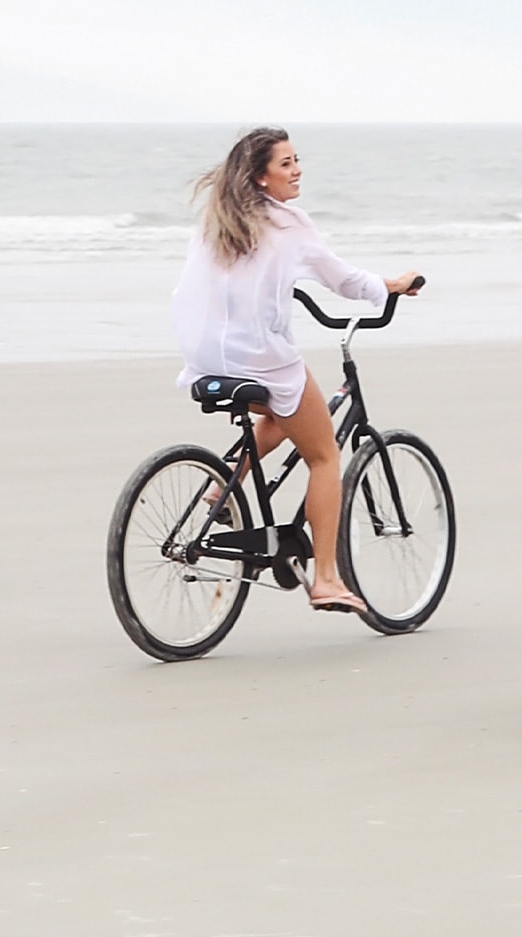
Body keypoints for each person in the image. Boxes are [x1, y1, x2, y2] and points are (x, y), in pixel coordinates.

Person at [171, 128, 422, 616]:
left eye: (296, 160)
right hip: (257, 358)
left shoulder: (216, 222)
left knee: (284, 412)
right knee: (324, 455)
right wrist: (392, 285)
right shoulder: (289, 225)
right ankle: (326, 579)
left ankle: (223, 486)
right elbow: (342, 279)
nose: (297, 170)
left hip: (205, 357)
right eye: (285, 163)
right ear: (261, 177)